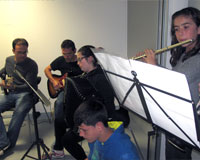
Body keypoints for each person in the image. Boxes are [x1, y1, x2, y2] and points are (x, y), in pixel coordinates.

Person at [43, 46, 129, 160]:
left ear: (90, 59)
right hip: (87, 114)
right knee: (59, 121)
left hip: (97, 118)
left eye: (80, 59)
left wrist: (90, 120)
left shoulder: (100, 78)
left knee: (67, 140)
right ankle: (58, 150)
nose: (77, 63)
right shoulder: (86, 75)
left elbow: (108, 105)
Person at [136, 7, 200, 160]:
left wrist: (153, 67)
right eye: (176, 29)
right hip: (177, 119)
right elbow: (175, 76)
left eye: (186, 27)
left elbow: (174, 82)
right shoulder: (184, 54)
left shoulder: (198, 58)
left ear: (198, 29)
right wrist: (149, 66)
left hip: (189, 123)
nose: (180, 34)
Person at [0, 38, 38, 156]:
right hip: (10, 93)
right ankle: (4, 142)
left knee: (19, 113)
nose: (23, 55)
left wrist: (14, 88)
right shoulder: (9, 60)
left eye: (25, 52)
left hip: (25, 93)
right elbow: (3, 71)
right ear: (13, 51)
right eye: (20, 52)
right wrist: (2, 80)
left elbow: (30, 86)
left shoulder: (32, 64)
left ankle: (7, 147)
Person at [74, 98, 140, 160]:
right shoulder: (95, 138)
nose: (81, 134)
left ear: (99, 127)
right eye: (80, 129)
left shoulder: (125, 153)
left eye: (84, 130)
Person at [44, 39, 82, 122]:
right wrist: (54, 81)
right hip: (64, 89)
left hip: (78, 89)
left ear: (74, 51)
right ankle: (59, 126)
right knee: (59, 103)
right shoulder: (61, 60)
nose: (66, 57)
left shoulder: (81, 61)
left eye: (69, 54)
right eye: (64, 54)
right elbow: (47, 69)